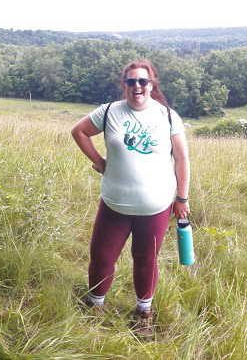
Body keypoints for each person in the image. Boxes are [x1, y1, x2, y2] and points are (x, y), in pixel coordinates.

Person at [70, 59, 190, 338]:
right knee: (101, 257)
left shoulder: (167, 116)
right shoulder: (110, 111)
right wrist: (99, 161)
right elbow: (78, 131)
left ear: (151, 84)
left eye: (142, 81)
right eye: (131, 81)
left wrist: (182, 198)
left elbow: (182, 159)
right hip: (114, 204)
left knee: (146, 259)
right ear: (124, 85)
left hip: (156, 207)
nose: (137, 86)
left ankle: (143, 313)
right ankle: (95, 306)